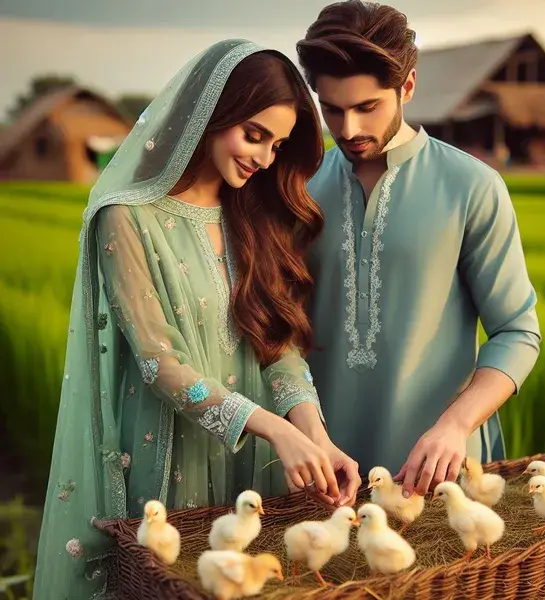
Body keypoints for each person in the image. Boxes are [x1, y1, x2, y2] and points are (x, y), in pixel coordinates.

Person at [33, 39, 360, 600]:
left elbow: (276, 345)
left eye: (276, 145)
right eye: (253, 135)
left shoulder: (253, 214)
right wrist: (276, 428)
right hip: (167, 456)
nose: (263, 159)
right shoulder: (127, 218)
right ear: (212, 114)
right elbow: (160, 364)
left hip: (252, 462)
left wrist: (315, 435)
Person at [297, 1, 542, 498]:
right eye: (332, 110)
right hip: (322, 477)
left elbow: (517, 332)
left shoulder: (471, 186)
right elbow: (274, 329)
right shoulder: (297, 189)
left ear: (407, 87)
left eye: (368, 107)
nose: (348, 130)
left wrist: (456, 426)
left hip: (439, 477)